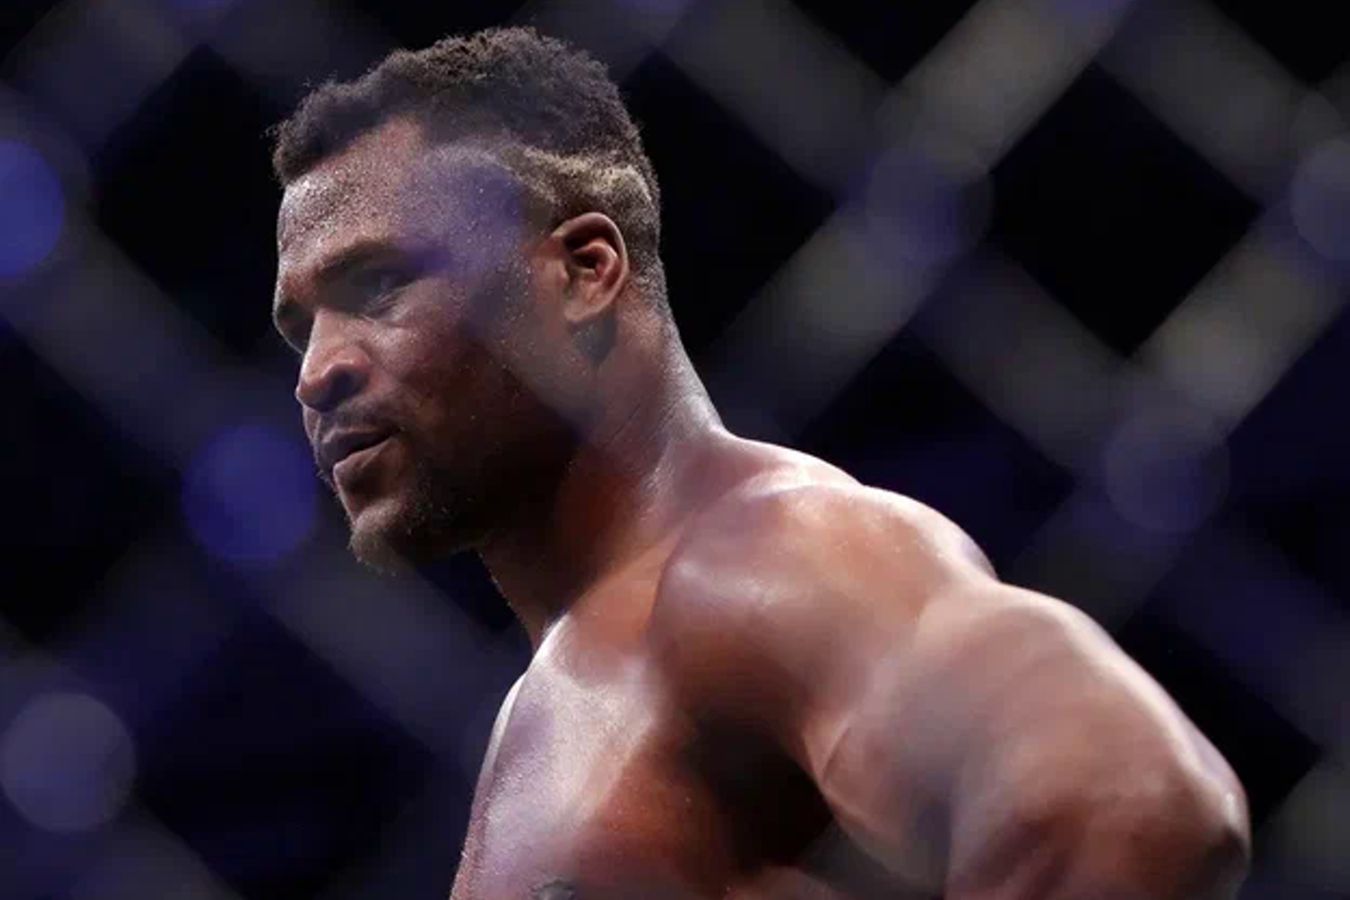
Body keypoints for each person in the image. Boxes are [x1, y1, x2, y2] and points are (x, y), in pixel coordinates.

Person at [268, 26, 1249, 899]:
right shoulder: (554, 694)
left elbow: (1129, 799)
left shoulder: (759, 554)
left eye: (378, 284)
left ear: (583, 272)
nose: (317, 374)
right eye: (299, 328)